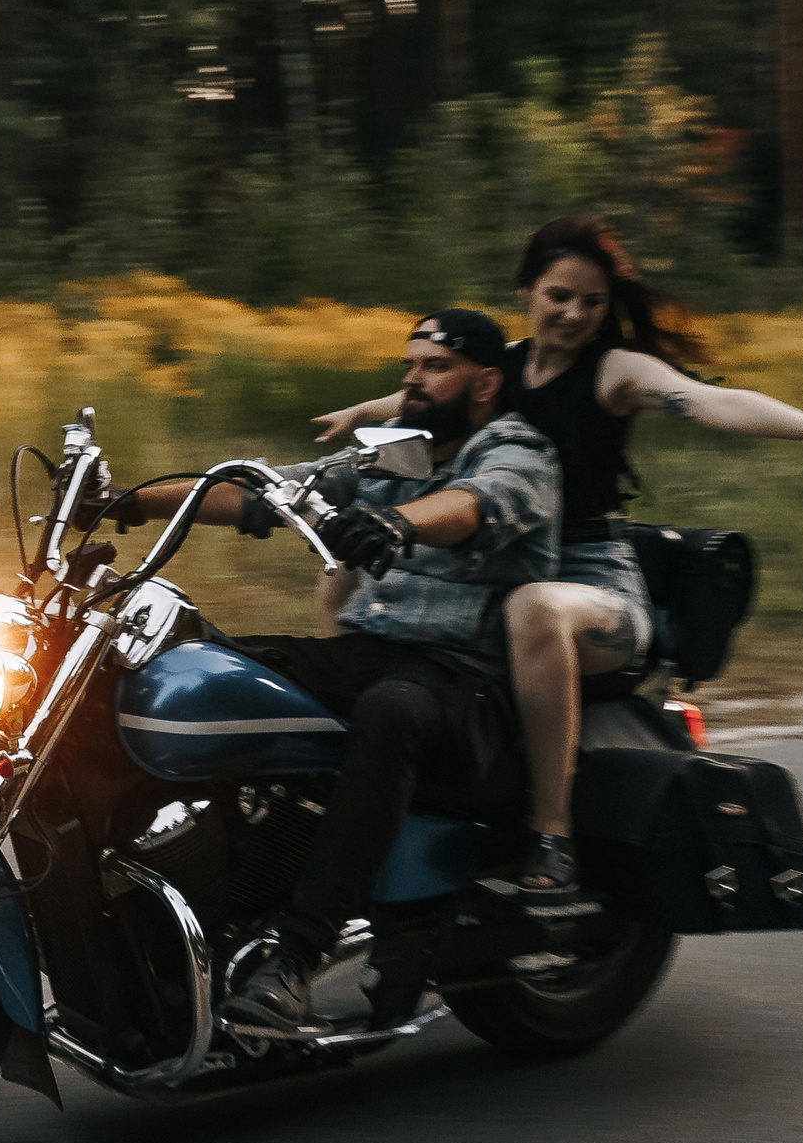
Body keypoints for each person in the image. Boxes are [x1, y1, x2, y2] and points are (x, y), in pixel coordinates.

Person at [311, 216, 803, 906]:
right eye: (559, 295)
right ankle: (356, 781)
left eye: (592, 301)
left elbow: (712, 401)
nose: (574, 313)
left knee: (536, 609)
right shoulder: (503, 366)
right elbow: (421, 398)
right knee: (342, 576)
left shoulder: (614, 371)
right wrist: (358, 414)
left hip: (587, 580)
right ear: (528, 291)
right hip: (497, 563)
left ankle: (552, 834)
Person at [100, 309, 559, 1033]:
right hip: (375, 651)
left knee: (390, 709)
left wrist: (400, 524)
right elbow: (270, 492)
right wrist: (129, 500)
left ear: (486, 381)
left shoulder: (519, 451)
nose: (412, 377)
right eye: (410, 363)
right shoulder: (399, 452)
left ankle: (294, 955)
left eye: (435, 365)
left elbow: (477, 503)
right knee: (194, 667)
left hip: (469, 683)